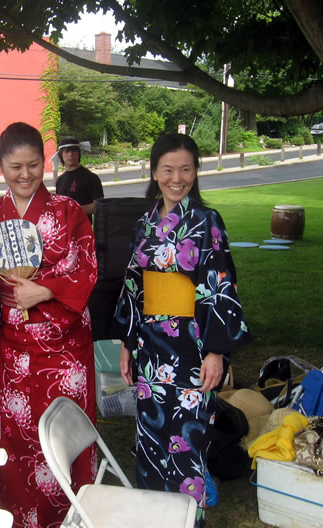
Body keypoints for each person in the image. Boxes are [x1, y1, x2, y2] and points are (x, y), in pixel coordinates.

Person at [114, 133, 251, 527]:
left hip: (192, 346)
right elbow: (133, 286)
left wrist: (216, 350)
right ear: (154, 172)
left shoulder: (208, 222)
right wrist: (127, 342)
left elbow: (220, 285)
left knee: (188, 439)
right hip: (151, 349)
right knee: (151, 440)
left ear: (196, 172)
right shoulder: (144, 223)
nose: (178, 178)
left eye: (186, 169)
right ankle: (155, 517)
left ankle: (189, 520)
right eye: (168, 169)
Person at [0, 122, 97, 527]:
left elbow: (87, 267)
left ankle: (73, 517)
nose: (25, 175)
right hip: (17, 348)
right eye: (14, 167)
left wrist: (42, 291)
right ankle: (25, 519)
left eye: (33, 165)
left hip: (66, 348)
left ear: (46, 162)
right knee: (22, 437)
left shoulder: (68, 211)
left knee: (68, 435)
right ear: (0, 165)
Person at [54, 137, 104, 223]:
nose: (70, 154)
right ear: (61, 155)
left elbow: (99, 206)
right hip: (64, 229)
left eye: (74, 150)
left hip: (84, 230)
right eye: (66, 151)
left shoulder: (91, 178)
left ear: (78, 153)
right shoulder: (60, 180)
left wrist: (75, 209)